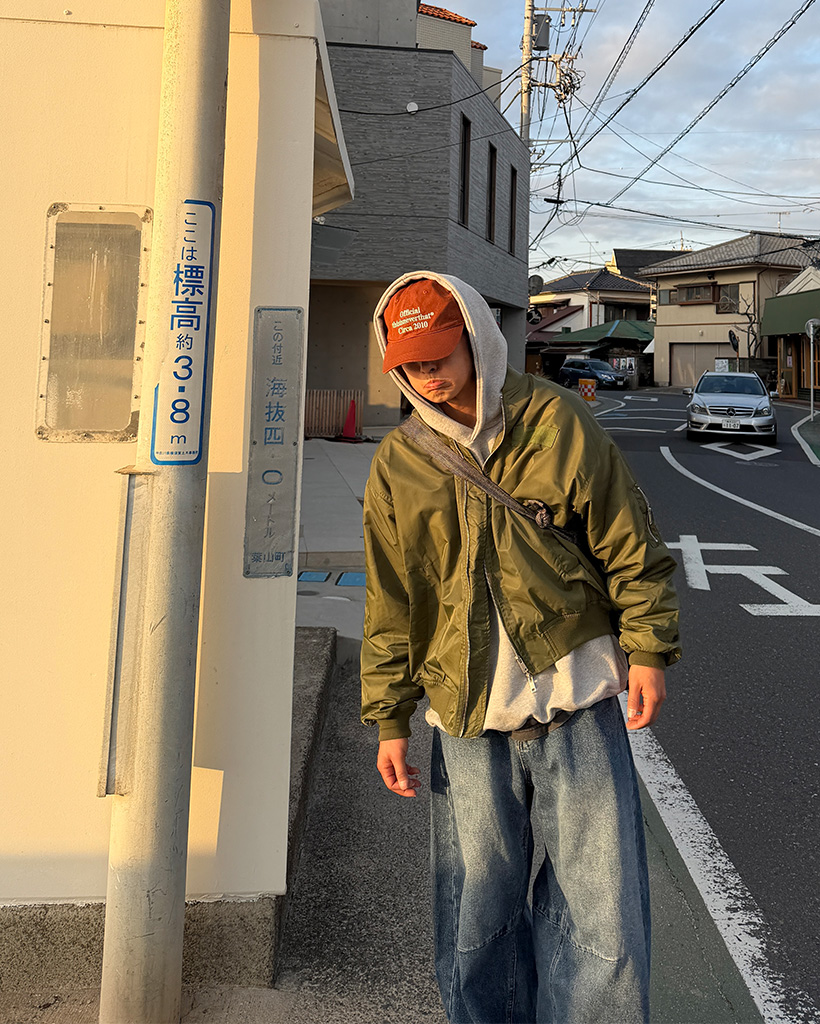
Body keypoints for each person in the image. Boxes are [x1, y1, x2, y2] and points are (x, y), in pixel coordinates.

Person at [361, 272, 681, 1024]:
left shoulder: (555, 420)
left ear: (476, 339)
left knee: (602, 920)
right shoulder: (399, 463)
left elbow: (628, 541)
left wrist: (647, 650)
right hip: (466, 717)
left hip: (576, 701)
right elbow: (391, 600)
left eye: (440, 355)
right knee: (477, 918)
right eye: (411, 363)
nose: (428, 374)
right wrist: (389, 718)